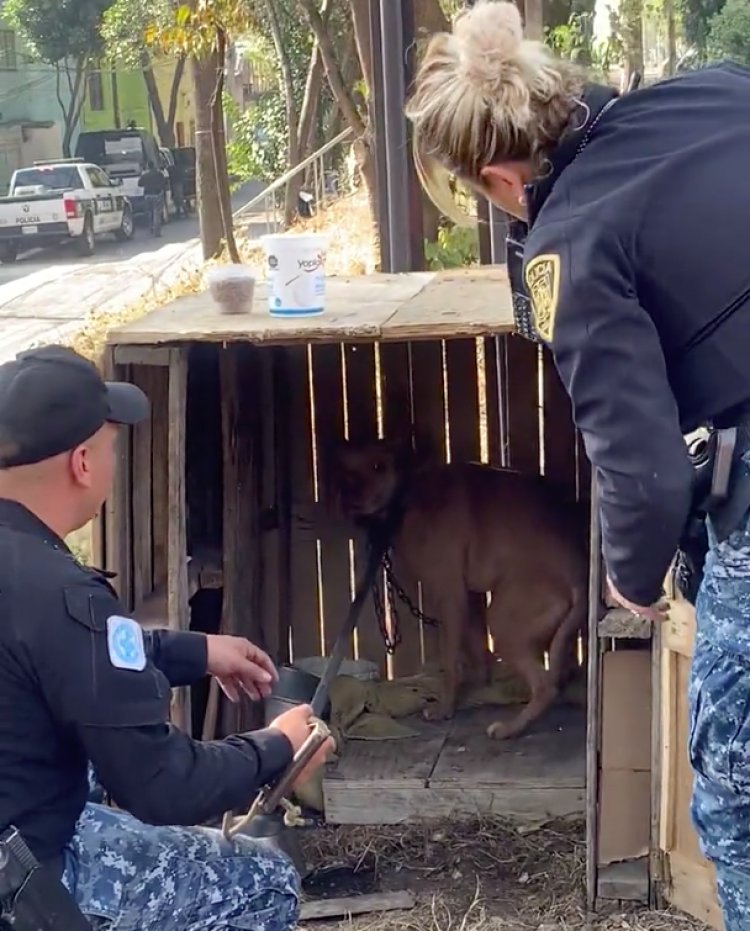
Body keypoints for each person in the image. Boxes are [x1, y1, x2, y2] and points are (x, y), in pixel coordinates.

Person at [404, 3, 750, 928]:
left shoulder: (569, 246)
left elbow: (639, 468)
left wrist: (633, 581)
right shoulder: (716, 93)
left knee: (739, 799)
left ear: (500, 178)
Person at [0, 344, 333, 930]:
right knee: (261, 881)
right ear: (82, 463)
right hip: (23, 881)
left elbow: (58, 662)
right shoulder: (60, 595)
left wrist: (194, 650)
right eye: (110, 446)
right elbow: (162, 786)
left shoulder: (31, 585)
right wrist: (278, 746)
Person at [138, 163, 167, 237]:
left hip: (147, 195)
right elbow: (164, 183)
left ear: (148, 167)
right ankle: (157, 231)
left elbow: (139, 184)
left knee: (149, 213)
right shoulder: (159, 174)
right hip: (157, 194)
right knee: (156, 213)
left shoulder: (145, 175)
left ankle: (151, 227)